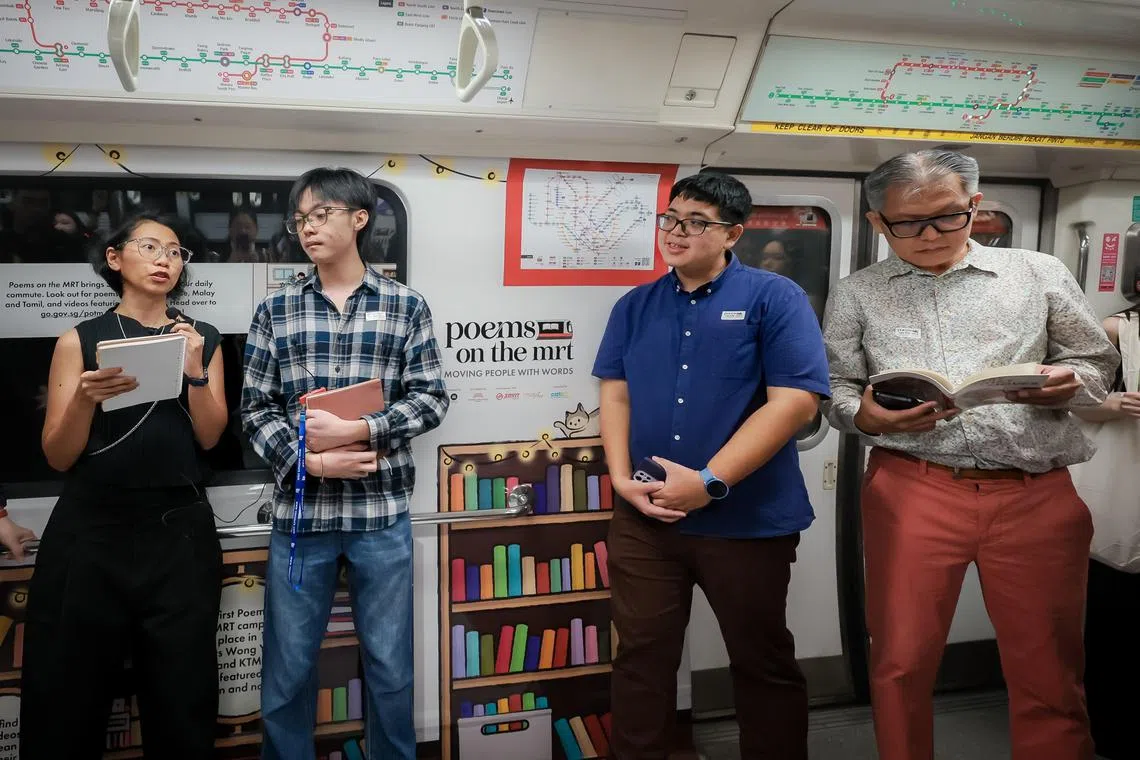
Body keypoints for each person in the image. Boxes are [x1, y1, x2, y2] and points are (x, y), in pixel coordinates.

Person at [822, 149, 1118, 760]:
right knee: (901, 661)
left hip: (1035, 492)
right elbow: (837, 387)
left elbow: (1095, 361)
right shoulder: (857, 294)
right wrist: (861, 416)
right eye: (908, 224)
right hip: (914, 487)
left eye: (948, 217)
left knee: (1049, 664)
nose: (929, 235)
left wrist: (1074, 382)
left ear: (975, 207)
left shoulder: (1036, 272)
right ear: (878, 223)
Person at [592, 172, 830, 759]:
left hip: (746, 521)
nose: (675, 232)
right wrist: (622, 479)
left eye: (696, 223)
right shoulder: (635, 305)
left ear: (733, 235)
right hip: (647, 518)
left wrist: (709, 482)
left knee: (761, 659)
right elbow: (615, 394)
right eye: (669, 219)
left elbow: (796, 403)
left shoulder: (775, 298)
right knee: (640, 659)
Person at [241, 167, 449, 759]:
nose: (308, 227)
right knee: (286, 670)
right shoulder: (275, 310)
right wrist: (311, 463)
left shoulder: (406, 305)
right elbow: (254, 409)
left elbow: (431, 398)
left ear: (360, 218)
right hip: (301, 516)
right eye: (300, 219)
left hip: (380, 515)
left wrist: (361, 429)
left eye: (321, 214)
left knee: (389, 666)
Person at [20, 211, 228, 758]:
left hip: (177, 530)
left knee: (182, 689)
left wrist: (196, 372)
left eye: (177, 251)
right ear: (115, 259)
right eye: (151, 247)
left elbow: (210, 437)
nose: (166, 260)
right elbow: (58, 455)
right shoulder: (80, 340)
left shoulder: (201, 337)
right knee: (67, 689)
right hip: (92, 529)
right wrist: (86, 399)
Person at [1071, 304, 1140, 760]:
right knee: (1114, 621)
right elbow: (1069, 401)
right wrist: (1110, 404)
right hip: (1125, 496)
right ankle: (1110, 733)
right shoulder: (1118, 331)